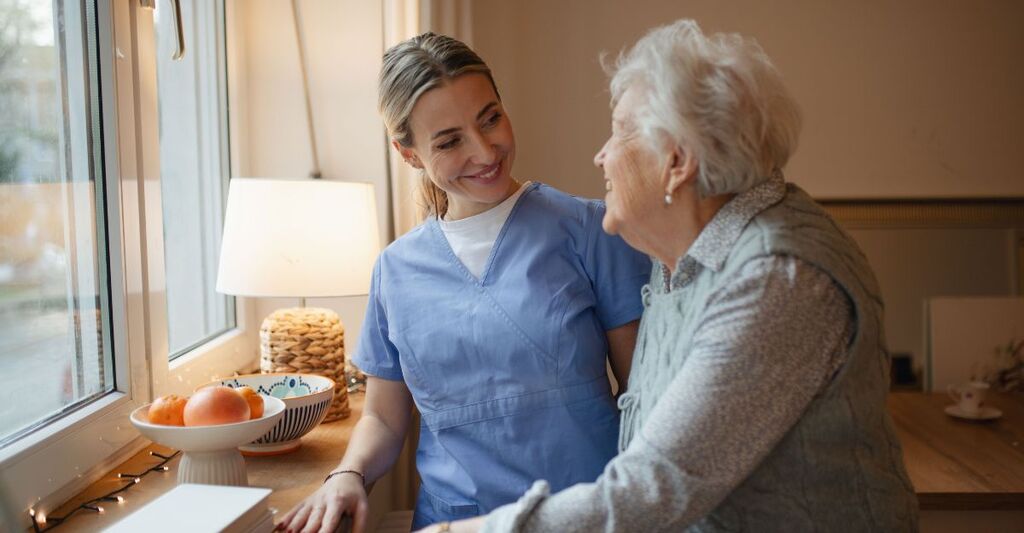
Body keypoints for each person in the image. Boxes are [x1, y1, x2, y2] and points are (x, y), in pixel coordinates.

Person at [419, 19, 919, 533]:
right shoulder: (678, 254)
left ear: (675, 161)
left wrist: (469, 531)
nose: (602, 156)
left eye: (618, 133)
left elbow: (657, 484)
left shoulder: (778, 279)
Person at [276, 33, 651, 533]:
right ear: (408, 154)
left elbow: (643, 394)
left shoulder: (591, 231)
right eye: (450, 141)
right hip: (453, 523)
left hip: (585, 515)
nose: (484, 150)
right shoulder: (396, 270)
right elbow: (385, 419)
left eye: (490, 118)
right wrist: (348, 473)